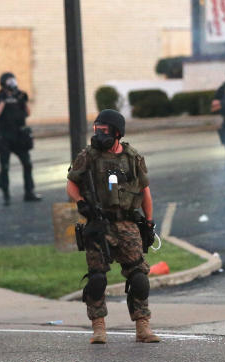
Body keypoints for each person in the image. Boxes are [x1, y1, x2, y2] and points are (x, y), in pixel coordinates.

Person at [66, 109, 161, 344]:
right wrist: (81, 203)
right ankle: (98, 327)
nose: (99, 135)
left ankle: (143, 327)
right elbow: (71, 183)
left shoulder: (133, 158)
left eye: (104, 131)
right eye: (96, 130)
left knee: (139, 277)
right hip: (99, 225)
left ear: (117, 132)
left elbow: (145, 191)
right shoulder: (88, 156)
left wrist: (149, 222)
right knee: (97, 278)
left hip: (128, 223)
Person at [0, 72, 40, 204]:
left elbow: (28, 113)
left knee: (27, 164)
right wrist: (3, 100)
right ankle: (6, 194)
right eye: (9, 81)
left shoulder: (20, 95)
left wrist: (21, 99)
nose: (12, 83)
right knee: (5, 167)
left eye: (13, 80)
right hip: (4, 137)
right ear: (4, 83)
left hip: (20, 136)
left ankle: (29, 192)